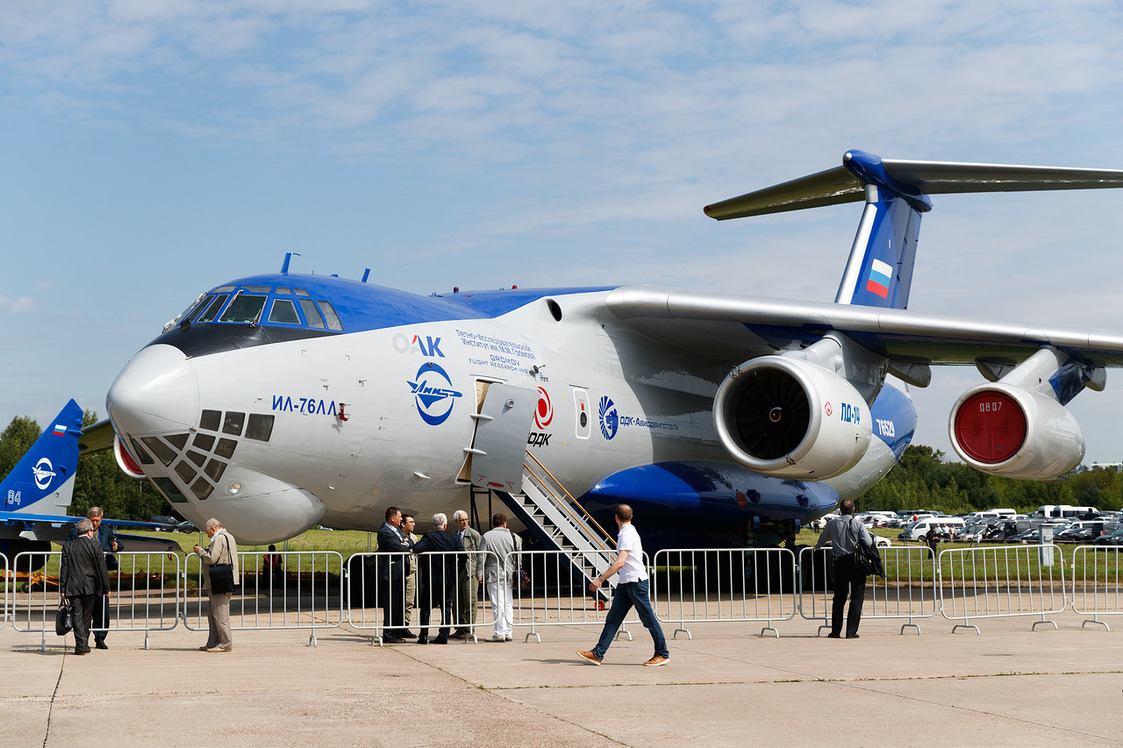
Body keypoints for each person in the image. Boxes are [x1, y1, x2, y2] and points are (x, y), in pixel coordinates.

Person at [577, 504, 670, 667]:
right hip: (626, 583)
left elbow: (620, 562)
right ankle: (598, 654)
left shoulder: (626, 534)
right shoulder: (628, 532)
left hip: (636, 583)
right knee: (612, 619)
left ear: (616, 517)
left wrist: (600, 580)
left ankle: (662, 653)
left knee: (648, 620)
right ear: (631, 517)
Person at [814, 498, 873, 639]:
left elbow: (821, 540)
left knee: (839, 598)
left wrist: (816, 547)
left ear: (840, 510)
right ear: (853, 510)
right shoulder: (858, 524)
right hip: (856, 563)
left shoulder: (832, 523)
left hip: (840, 562)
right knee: (856, 598)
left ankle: (835, 631)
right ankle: (851, 631)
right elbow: (869, 542)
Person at [65, 506, 121, 650]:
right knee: (83, 612)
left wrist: (115, 547)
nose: (94, 524)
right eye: (92, 521)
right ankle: (83, 641)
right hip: (83, 577)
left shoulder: (106, 532)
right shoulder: (76, 532)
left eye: (97, 520)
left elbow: (118, 544)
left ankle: (100, 638)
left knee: (102, 610)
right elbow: (68, 546)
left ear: (101, 520)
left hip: (99, 576)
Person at [59, 518, 111, 655]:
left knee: (77, 614)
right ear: (89, 532)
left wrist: (62, 588)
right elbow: (102, 569)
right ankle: (82, 644)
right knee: (87, 616)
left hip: (73, 585)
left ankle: (81, 644)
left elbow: (64, 568)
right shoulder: (96, 546)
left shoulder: (68, 546)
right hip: (91, 586)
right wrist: (107, 588)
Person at [411, 513, 463, 644]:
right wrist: (456, 572)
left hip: (431, 579)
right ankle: (443, 635)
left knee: (426, 607)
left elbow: (417, 548)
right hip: (447, 578)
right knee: (446, 608)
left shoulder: (429, 537)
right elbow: (463, 556)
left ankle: (423, 635)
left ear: (433, 525)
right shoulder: (453, 538)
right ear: (445, 525)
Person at [193, 517, 239, 652]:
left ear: (213, 529)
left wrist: (200, 551)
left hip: (218, 581)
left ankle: (225, 643)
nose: (208, 535)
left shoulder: (219, 539)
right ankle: (213, 641)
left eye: (208, 532)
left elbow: (212, 558)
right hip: (225, 579)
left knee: (220, 614)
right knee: (213, 613)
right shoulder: (229, 536)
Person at [478, 512, 521, 642]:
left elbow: (482, 557)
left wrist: (479, 573)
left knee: (498, 604)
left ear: (493, 523)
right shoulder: (515, 537)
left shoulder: (487, 536)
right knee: (508, 603)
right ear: (504, 523)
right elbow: (518, 558)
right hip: (509, 574)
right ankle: (508, 631)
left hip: (493, 574)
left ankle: (499, 632)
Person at [376, 506, 412, 642]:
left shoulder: (396, 530)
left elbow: (410, 541)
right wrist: (405, 546)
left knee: (399, 604)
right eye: (399, 516)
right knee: (391, 605)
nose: (401, 519)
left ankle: (398, 632)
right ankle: (389, 634)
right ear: (393, 518)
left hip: (400, 573)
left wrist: (406, 544)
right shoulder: (385, 532)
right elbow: (398, 548)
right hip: (390, 574)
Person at [451, 509, 481, 639]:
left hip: (470, 572)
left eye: (466, 519)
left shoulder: (474, 535)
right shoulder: (453, 535)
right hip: (457, 572)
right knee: (457, 602)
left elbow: (481, 555)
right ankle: (459, 628)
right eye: (462, 520)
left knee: (470, 601)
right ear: (456, 521)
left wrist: (479, 573)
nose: (464, 522)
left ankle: (469, 629)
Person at [400, 513, 419, 628]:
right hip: (399, 572)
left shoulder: (414, 538)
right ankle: (397, 625)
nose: (414, 524)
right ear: (403, 524)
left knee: (409, 601)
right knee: (398, 602)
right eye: (411, 522)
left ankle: (405, 624)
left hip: (411, 572)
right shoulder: (396, 536)